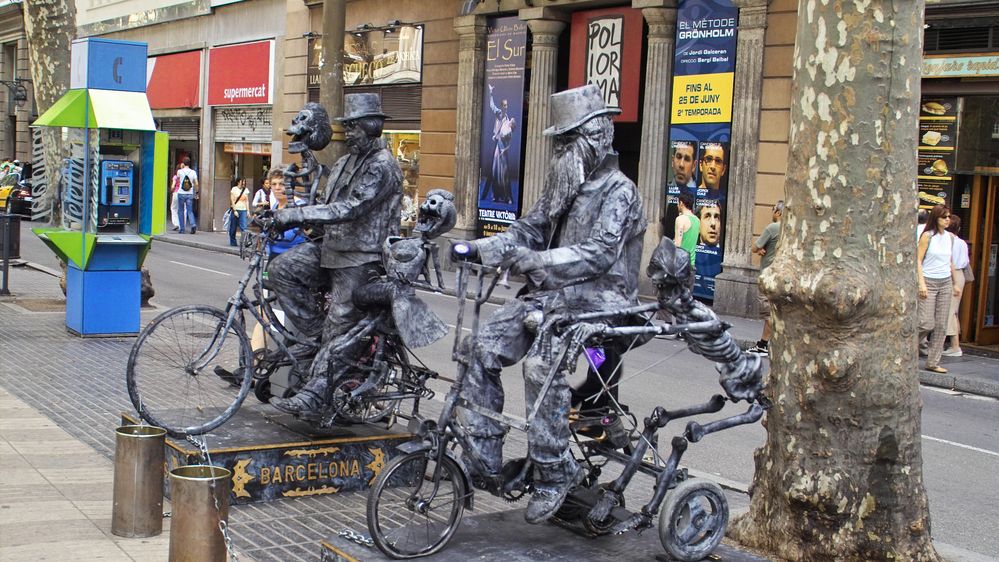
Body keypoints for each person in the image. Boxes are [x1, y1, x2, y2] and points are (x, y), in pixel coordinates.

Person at [450, 84, 647, 524]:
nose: (559, 149)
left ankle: (555, 470)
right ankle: (483, 455)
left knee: (542, 366)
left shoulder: (621, 193)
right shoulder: (567, 183)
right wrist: (486, 249)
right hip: (552, 298)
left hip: (601, 304)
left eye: (567, 140)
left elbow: (598, 253)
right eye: (558, 141)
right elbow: (531, 227)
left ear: (596, 135)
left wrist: (537, 260)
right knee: (476, 347)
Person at [267, 94, 402, 416]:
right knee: (282, 270)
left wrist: (297, 216)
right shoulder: (344, 162)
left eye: (353, 127)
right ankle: (315, 340)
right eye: (347, 127)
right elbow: (329, 204)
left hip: (362, 258)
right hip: (331, 249)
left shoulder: (383, 167)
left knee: (340, 326)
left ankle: (315, 396)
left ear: (371, 127)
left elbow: (352, 208)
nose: (348, 133)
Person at [917, 204, 960, 373]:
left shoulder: (949, 237)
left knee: (941, 324)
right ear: (936, 218)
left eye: (949, 217)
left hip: (945, 281)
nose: (948, 220)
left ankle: (933, 361)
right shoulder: (927, 236)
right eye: (944, 217)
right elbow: (918, 260)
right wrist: (921, 283)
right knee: (926, 322)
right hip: (928, 279)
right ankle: (906, 350)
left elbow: (950, 262)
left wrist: (955, 283)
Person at [748, 201, 783, 356]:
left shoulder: (773, 228)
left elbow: (755, 247)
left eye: (773, 209)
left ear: (778, 213)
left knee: (768, 313)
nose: (772, 212)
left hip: (768, 274)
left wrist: (760, 249)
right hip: (781, 275)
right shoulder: (789, 231)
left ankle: (763, 345)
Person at [480, 83, 516, 205]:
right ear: (502, 106)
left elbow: (510, 138)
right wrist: (490, 93)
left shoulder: (508, 119)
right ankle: (495, 195)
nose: (506, 107)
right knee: (495, 172)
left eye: (507, 105)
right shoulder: (499, 114)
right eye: (504, 105)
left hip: (503, 149)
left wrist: (506, 149)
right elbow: (491, 105)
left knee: (505, 174)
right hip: (497, 146)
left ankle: (507, 197)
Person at [943, 215, 970, 357]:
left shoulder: (947, 241)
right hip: (960, 275)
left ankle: (955, 346)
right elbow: (965, 261)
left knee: (949, 311)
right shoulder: (962, 243)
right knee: (952, 310)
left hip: (951, 275)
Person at [673, 191, 699, 289]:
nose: (677, 205)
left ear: (681, 203)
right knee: (687, 299)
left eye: (677, 203)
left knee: (675, 299)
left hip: (681, 266)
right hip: (691, 265)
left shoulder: (680, 219)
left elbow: (678, 244)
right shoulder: (697, 220)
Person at [175, 157, 199, 234]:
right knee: (190, 211)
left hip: (181, 193)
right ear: (189, 163)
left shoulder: (179, 171)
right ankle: (193, 224)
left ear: (183, 163)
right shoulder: (193, 172)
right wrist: (197, 192)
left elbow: (178, 179)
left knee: (181, 211)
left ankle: (182, 229)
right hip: (190, 193)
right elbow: (196, 183)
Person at [228, 177, 250, 247]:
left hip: (243, 210)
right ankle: (233, 241)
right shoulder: (234, 189)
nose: (243, 183)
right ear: (238, 182)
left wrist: (248, 211)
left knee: (244, 227)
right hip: (236, 210)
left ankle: (245, 241)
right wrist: (234, 210)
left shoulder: (246, 190)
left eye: (244, 181)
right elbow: (232, 201)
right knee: (233, 228)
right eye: (242, 181)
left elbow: (247, 201)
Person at [169, 163, 182, 231]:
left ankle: (176, 223)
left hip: (176, 193)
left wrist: (171, 190)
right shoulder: (184, 176)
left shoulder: (175, 176)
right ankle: (182, 225)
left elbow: (173, 186)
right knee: (183, 209)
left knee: (173, 208)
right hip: (184, 193)